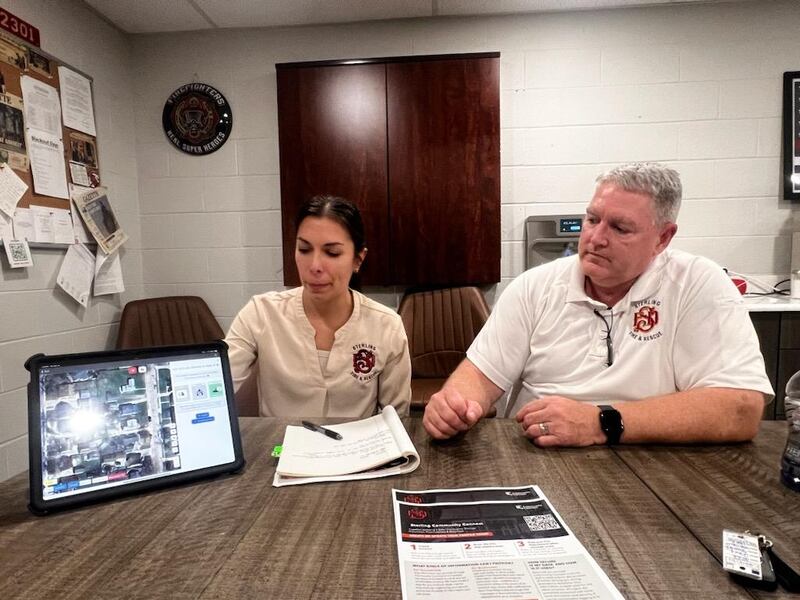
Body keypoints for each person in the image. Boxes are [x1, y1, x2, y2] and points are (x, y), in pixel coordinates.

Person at [423, 162, 773, 446]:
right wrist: (456, 404)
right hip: (535, 455)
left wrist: (601, 422)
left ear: (663, 238)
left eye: (620, 228)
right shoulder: (534, 286)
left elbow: (740, 408)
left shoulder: (698, 284)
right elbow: (481, 376)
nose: (595, 238)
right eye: (592, 219)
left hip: (654, 462)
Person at [226, 195, 411, 418]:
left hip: (356, 449)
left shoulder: (386, 325)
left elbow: (397, 418)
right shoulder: (260, 313)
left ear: (358, 260)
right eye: (304, 249)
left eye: (332, 253)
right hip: (281, 448)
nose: (314, 266)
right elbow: (217, 386)